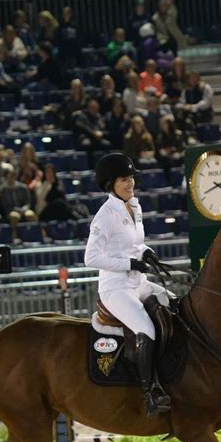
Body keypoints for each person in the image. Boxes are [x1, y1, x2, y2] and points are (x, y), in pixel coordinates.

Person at [84, 152, 171, 417]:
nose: (130, 183)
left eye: (131, 178)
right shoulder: (104, 216)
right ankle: (150, 394)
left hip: (139, 282)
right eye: (124, 179)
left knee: (174, 305)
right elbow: (91, 258)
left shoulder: (135, 205)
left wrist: (146, 252)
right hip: (116, 288)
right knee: (146, 328)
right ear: (110, 184)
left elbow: (134, 243)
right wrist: (129, 264)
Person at [0, 165, 38, 239]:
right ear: (6, 177)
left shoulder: (23, 187)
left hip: (23, 209)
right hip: (11, 210)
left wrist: (23, 209)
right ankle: (15, 236)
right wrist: (16, 209)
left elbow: (28, 202)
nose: (11, 178)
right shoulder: (3, 189)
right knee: (14, 216)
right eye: (9, 176)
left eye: (13, 176)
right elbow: (5, 204)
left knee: (31, 215)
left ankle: (36, 233)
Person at [156, 115, 184, 181]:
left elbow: (181, 148)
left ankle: (179, 179)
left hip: (177, 154)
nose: (163, 126)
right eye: (162, 124)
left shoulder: (178, 134)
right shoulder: (160, 136)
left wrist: (174, 151)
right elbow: (159, 148)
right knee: (165, 161)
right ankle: (168, 181)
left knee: (176, 159)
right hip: (166, 156)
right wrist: (165, 151)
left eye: (164, 124)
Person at [55, 6, 82, 73]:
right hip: (63, 51)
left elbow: (77, 37)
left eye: (68, 13)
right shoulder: (60, 26)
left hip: (73, 51)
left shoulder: (74, 25)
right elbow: (58, 37)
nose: (66, 15)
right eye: (64, 13)